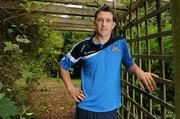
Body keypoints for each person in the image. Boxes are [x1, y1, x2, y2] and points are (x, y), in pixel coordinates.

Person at [58, 4, 158, 119]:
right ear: (95, 23)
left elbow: (129, 64)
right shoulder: (83, 46)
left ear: (113, 25)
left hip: (110, 108)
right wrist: (71, 88)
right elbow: (63, 65)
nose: (104, 24)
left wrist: (140, 72)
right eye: (100, 20)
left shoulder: (121, 43)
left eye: (108, 20)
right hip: (86, 107)